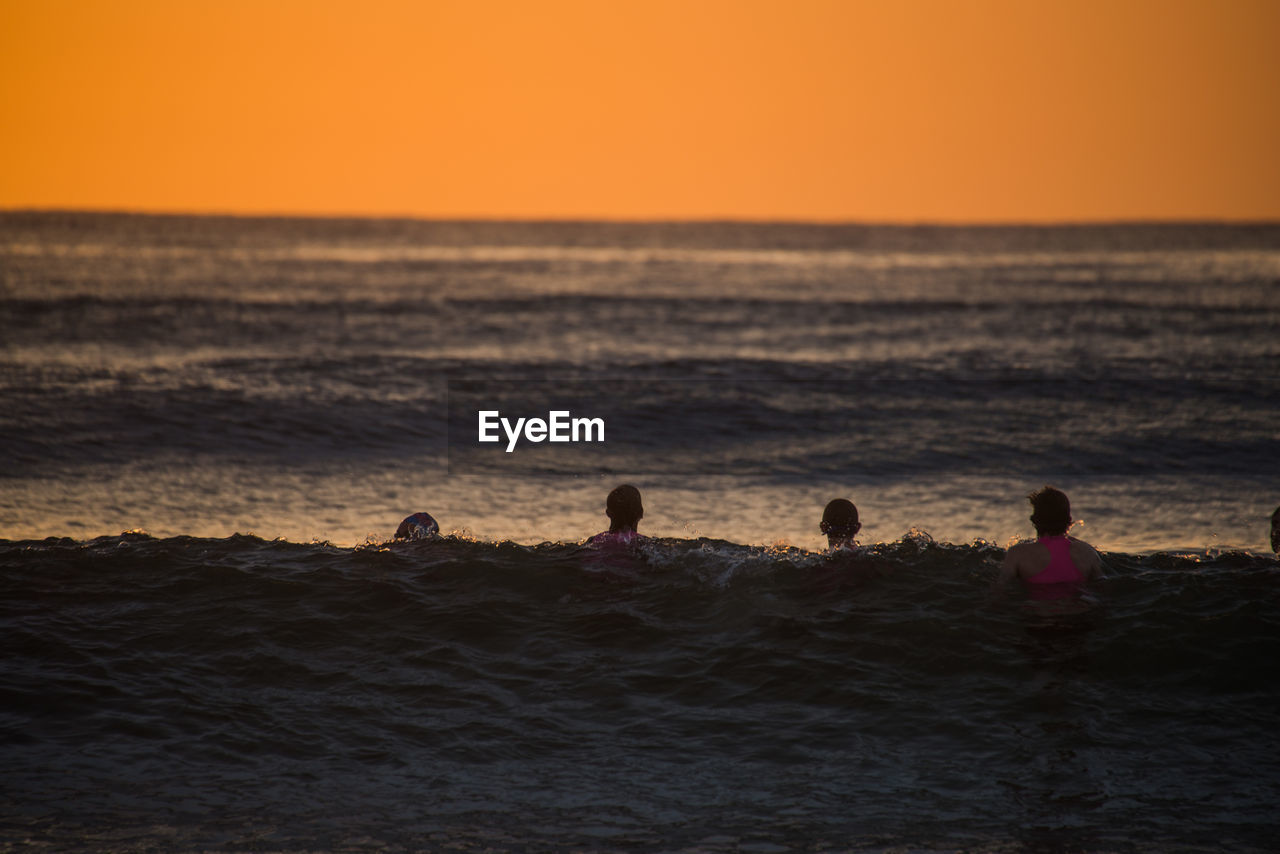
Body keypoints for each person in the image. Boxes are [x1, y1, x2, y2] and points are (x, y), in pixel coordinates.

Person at [997, 486, 1102, 593]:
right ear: (1069, 520)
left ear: (1034, 520)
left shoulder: (1017, 554)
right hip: (1080, 608)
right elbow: (1100, 588)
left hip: (1037, 608)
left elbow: (999, 592)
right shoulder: (1088, 552)